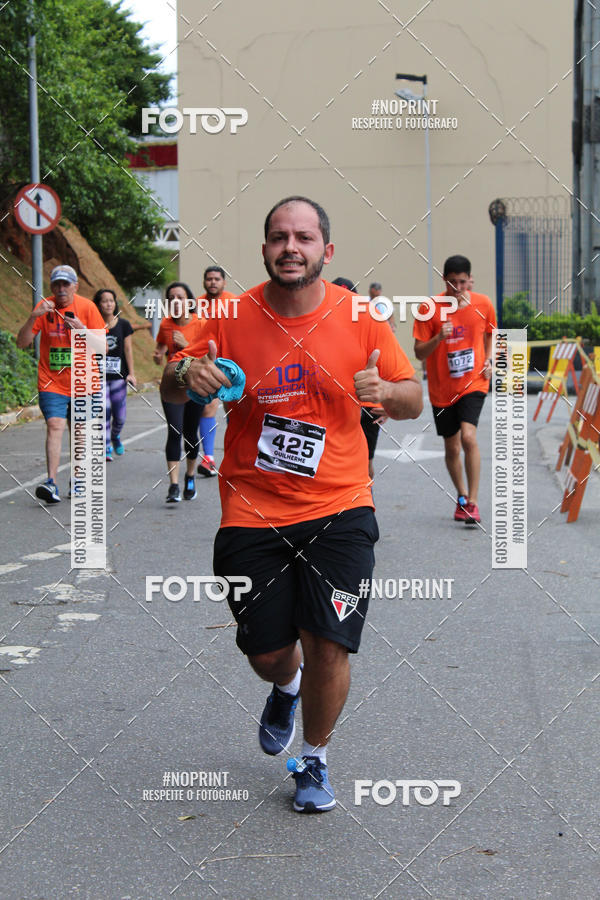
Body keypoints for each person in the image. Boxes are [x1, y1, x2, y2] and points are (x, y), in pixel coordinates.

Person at [161, 196, 422, 812]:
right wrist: (187, 376)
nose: (290, 247)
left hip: (341, 504)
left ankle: (314, 759)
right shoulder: (228, 313)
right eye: (279, 237)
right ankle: (285, 685)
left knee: (330, 639)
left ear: (325, 252)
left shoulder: (359, 317)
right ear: (265, 249)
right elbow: (171, 372)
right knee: (268, 651)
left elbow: (412, 398)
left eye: (304, 238)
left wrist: (384, 390)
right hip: (252, 505)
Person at [413, 255, 496, 525]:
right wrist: (439, 337)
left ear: (469, 280)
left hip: (473, 382)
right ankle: (461, 496)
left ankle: (473, 502)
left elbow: (491, 332)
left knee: (469, 438)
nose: (458, 288)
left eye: (463, 282)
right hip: (442, 389)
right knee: (451, 446)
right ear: (445, 280)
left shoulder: (483, 303)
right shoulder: (430, 308)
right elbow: (419, 352)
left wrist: (490, 358)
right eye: (453, 282)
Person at [16, 265, 105, 504]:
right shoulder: (43, 308)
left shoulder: (87, 307)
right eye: (57, 284)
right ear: (52, 287)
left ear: (75, 286)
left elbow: (103, 348)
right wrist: (33, 317)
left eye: (66, 284)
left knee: (78, 432)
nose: (61, 289)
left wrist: (82, 330)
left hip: (84, 382)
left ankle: (76, 480)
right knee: (54, 425)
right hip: (51, 381)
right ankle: (51, 482)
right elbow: (21, 343)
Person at [332, 277, 388, 482]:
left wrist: (388, 404)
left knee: (366, 465)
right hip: (335, 407)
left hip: (368, 407)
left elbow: (389, 368)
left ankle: (364, 507)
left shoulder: (371, 325)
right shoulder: (319, 330)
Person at [154, 282, 205, 502]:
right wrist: (158, 354)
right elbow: (161, 347)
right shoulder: (165, 325)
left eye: (180, 297)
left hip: (195, 386)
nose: (176, 301)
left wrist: (186, 345)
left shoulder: (201, 324)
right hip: (172, 385)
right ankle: (174, 485)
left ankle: (190, 476)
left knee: (191, 434)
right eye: (171, 297)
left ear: (189, 302)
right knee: (174, 431)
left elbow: (208, 358)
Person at [195, 266, 238, 477]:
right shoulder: (197, 305)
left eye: (217, 279)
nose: (213, 282)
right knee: (208, 408)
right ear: (204, 282)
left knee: (235, 413)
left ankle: (236, 455)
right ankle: (209, 458)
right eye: (209, 279)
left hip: (233, 366)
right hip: (209, 364)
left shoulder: (235, 303)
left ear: (224, 282)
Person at [93, 289, 137, 460]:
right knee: (104, 409)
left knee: (119, 415)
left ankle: (115, 435)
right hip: (99, 377)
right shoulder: (93, 325)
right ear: (98, 304)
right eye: (104, 301)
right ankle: (106, 447)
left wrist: (131, 373)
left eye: (111, 301)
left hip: (119, 377)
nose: (108, 304)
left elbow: (128, 350)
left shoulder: (124, 325)